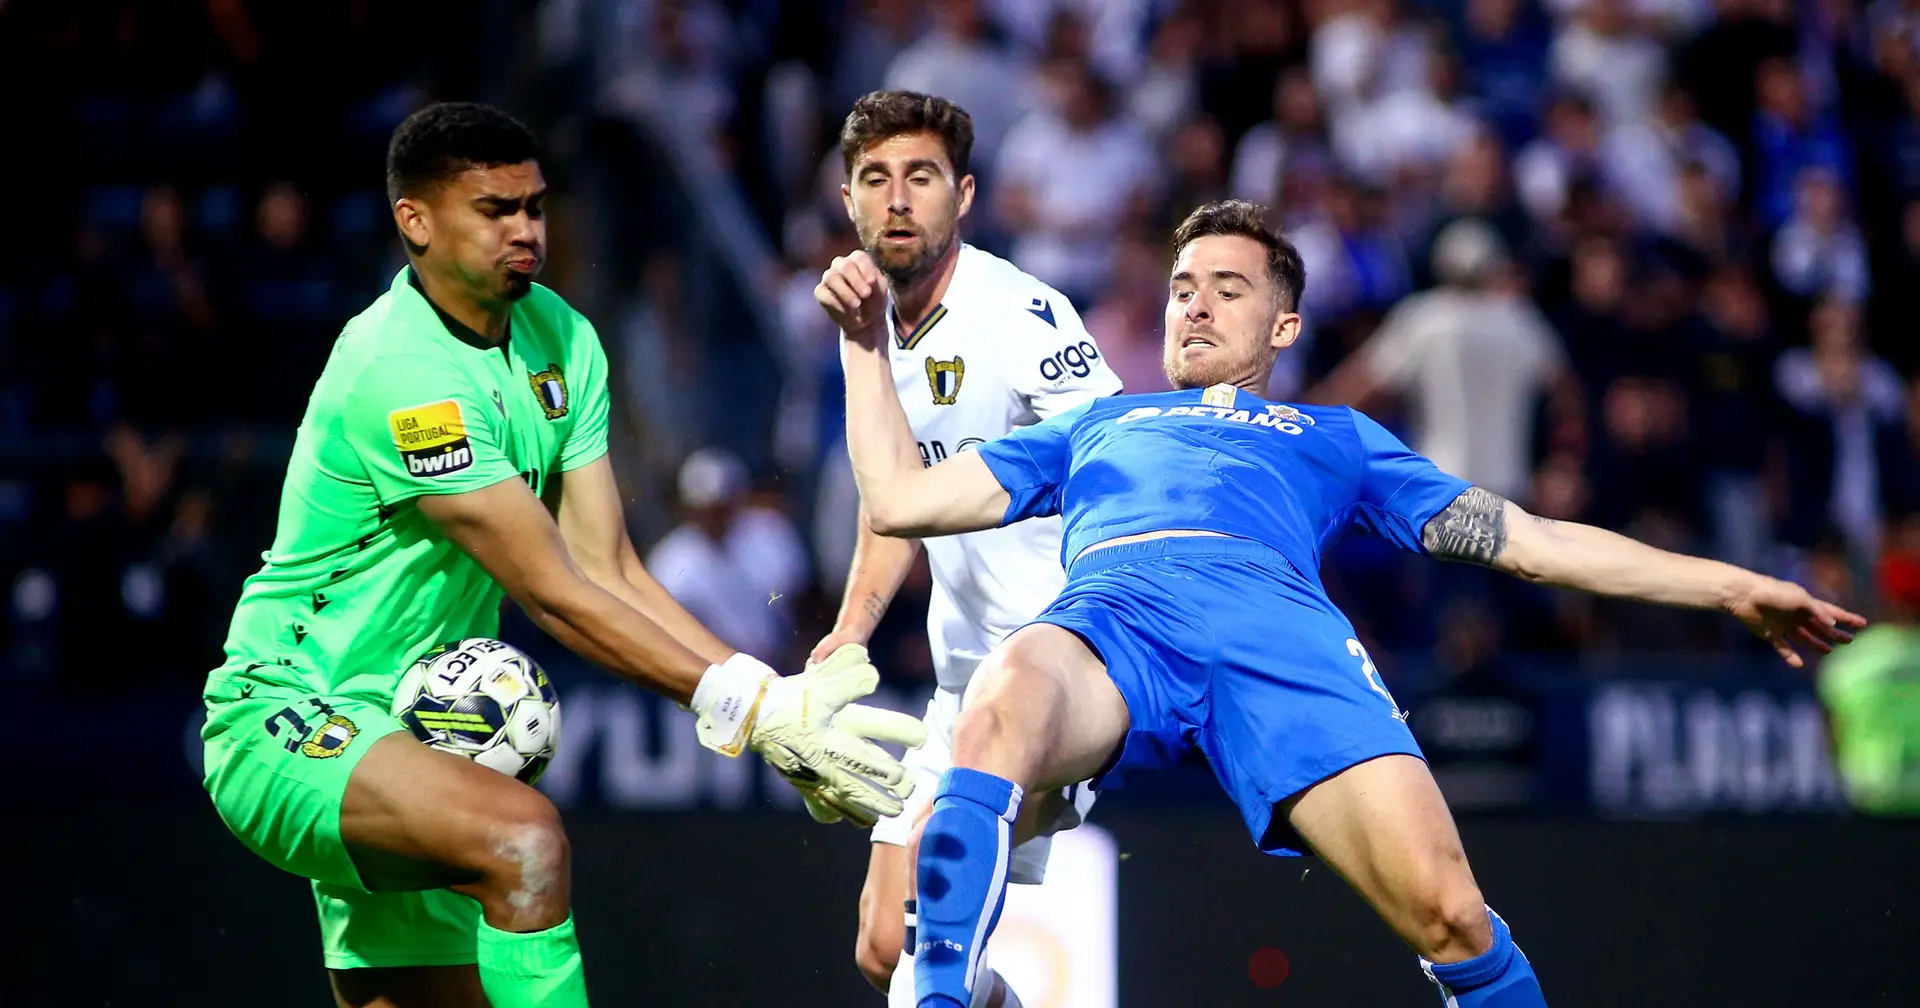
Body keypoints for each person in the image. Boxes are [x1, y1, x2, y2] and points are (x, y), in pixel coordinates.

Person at [816, 198, 1865, 1007]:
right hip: (1115, 618)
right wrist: (868, 350)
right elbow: (902, 500)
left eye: (1228, 287)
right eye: (1184, 284)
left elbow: (1533, 544)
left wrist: (1729, 585)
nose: (1194, 302)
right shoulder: (1099, 424)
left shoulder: (1336, 438)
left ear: (1284, 326)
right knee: (997, 705)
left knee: (1453, 919)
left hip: (1282, 645)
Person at [198, 102, 923, 1008]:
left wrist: (769, 697)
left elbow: (608, 568)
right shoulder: (399, 373)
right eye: (493, 210)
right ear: (414, 222)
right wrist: (752, 710)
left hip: (426, 738)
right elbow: (550, 590)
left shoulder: (565, 341)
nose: (524, 230)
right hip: (288, 716)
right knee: (526, 840)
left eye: (534, 207)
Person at [808, 90, 1122, 1008]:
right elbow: (891, 495)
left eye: (922, 178)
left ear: (965, 196)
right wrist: (852, 631)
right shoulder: (866, 322)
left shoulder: (1022, 314)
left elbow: (1116, 457)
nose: (898, 199)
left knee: (922, 953)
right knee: (879, 948)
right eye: (877, 179)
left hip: (1053, 680)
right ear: (849, 200)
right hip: (959, 683)